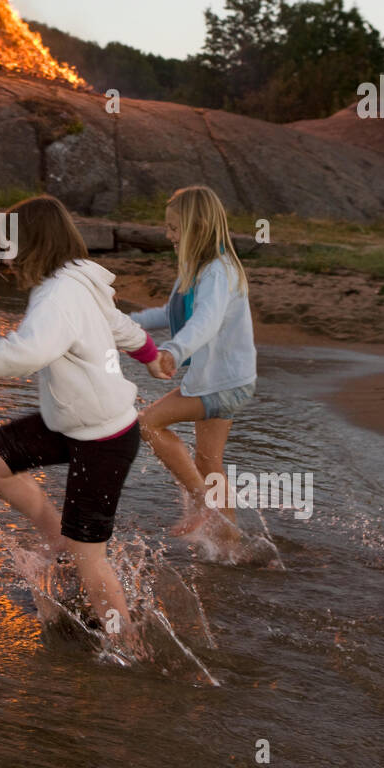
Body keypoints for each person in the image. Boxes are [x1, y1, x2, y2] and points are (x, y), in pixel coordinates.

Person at [0, 194, 167, 642]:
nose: (4, 256)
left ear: (32, 243)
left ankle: (128, 644)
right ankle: (58, 540)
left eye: (9, 245)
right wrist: (151, 357)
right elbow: (121, 326)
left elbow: (27, 353)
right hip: (72, 422)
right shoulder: (74, 280)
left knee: (91, 556)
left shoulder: (59, 294)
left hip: (103, 437)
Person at [133, 185, 257, 539]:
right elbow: (169, 313)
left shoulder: (218, 271)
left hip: (223, 383)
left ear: (197, 228)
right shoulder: (200, 266)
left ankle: (204, 503)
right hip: (227, 381)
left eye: (174, 227)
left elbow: (205, 322)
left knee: (148, 424)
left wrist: (172, 351)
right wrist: (125, 323)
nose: (168, 234)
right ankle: (231, 542)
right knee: (207, 461)